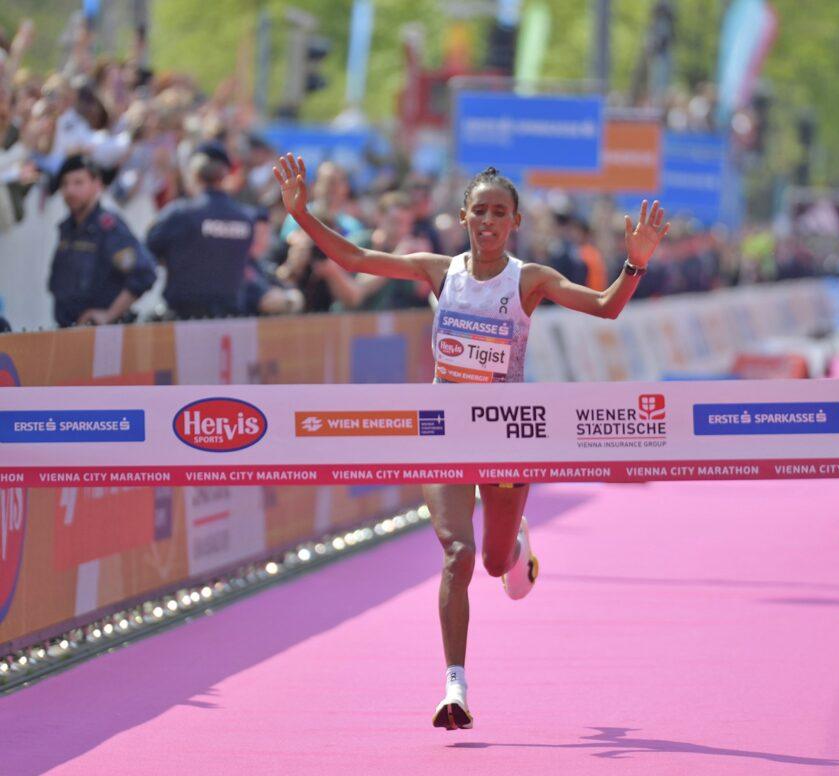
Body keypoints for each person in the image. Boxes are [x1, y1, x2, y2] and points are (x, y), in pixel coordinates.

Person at [274, 153, 668, 731]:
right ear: (463, 216)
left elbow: (606, 308)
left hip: (505, 438)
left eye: (499, 213)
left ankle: (516, 545)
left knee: (492, 563)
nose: (488, 221)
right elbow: (356, 259)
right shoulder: (439, 271)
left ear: (515, 222)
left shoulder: (529, 280)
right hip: (445, 432)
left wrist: (635, 264)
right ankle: (454, 684)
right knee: (457, 553)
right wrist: (302, 216)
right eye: (479, 210)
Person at [145, 141, 256, 319]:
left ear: (194, 174)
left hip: (183, 319)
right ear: (225, 176)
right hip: (229, 321)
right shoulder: (246, 218)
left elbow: (147, 252)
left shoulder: (180, 213)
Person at [47, 154, 156, 327]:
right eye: (65, 184)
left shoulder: (108, 228)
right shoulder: (67, 228)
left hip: (101, 334)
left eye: (78, 183)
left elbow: (144, 273)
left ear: (97, 185)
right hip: (67, 331)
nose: (70, 191)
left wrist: (109, 314)